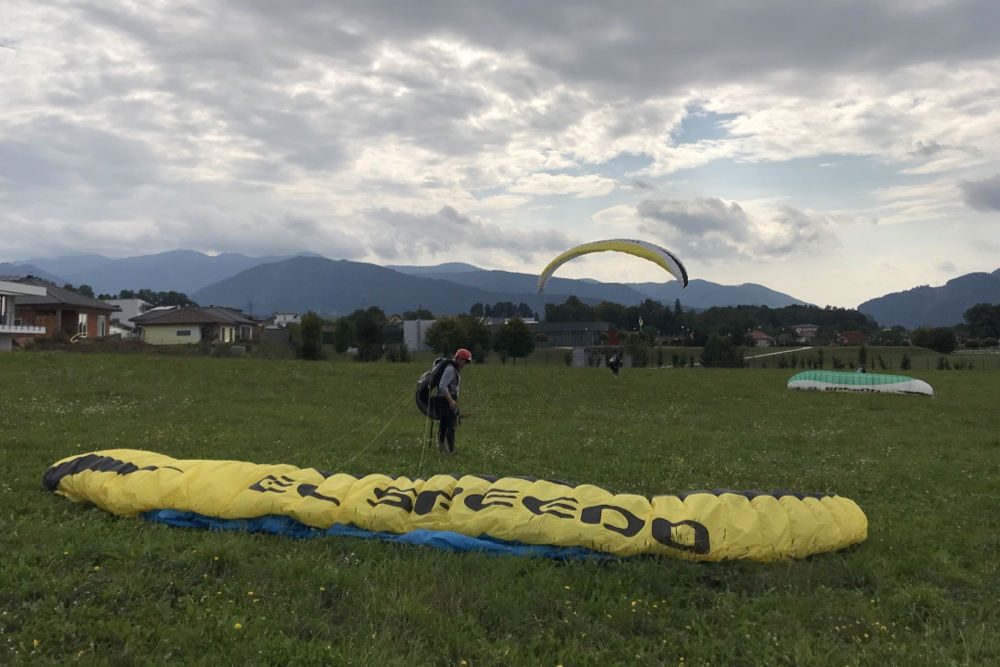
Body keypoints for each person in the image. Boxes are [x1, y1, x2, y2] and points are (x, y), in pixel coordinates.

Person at [436, 348, 472, 453]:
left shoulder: (453, 368)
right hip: (445, 399)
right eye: (464, 361)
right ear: (459, 359)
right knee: (450, 425)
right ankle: (451, 450)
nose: (464, 365)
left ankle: (442, 448)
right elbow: (442, 385)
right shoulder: (451, 369)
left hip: (444, 399)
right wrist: (451, 401)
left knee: (444, 424)